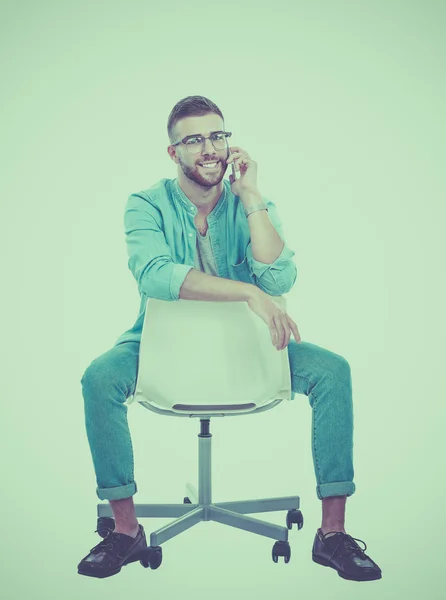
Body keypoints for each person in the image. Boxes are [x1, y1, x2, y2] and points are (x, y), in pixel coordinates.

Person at [77, 95, 382, 581]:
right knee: (99, 378)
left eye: (217, 136)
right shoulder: (145, 204)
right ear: (173, 152)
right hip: (161, 347)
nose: (209, 147)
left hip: (253, 349)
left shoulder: (251, 203)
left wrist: (253, 198)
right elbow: (154, 275)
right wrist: (246, 293)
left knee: (333, 371)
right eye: (194, 139)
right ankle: (125, 530)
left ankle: (333, 535)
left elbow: (280, 281)